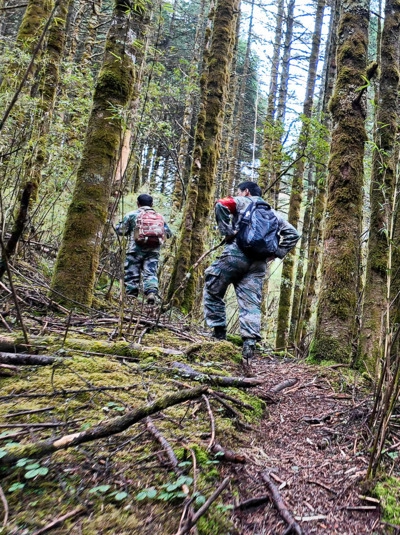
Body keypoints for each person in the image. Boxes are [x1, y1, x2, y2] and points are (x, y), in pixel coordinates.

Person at [203, 181, 300, 361]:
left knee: (212, 286)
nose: (238, 194)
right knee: (251, 302)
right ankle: (249, 344)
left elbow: (221, 204)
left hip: (236, 255)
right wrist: (277, 253)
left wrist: (227, 232)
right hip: (259, 263)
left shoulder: (242, 201)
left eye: (239, 191)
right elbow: (293, 234)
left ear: (246, 191)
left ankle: (219, 332)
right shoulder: (273, 213)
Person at [115, 194, 172, 304]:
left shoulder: (131, 215)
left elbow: (120, 230)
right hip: (153, 251)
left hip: (135, 250)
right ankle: (151, 293)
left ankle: (131, 298)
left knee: (132, 274)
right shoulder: (159, 217)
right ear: (152, 204)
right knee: (150, 273)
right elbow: (168, 233)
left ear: (138, 203)